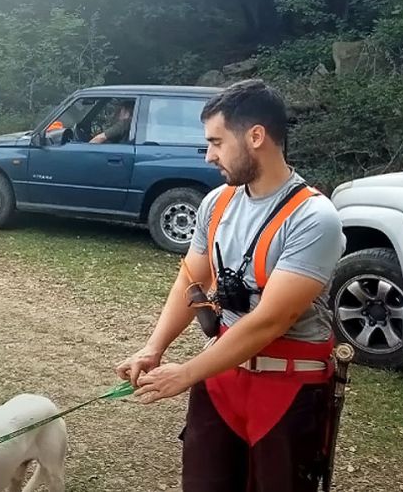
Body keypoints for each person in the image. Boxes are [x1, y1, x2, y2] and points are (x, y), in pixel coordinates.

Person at [114, 79, 345, 491]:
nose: (209, 155)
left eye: (217, 141)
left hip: (288, 390)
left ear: (255, 136)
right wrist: (154, 348)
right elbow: (192, 278)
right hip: (221, 379)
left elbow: (271, 321)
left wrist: (184, 373)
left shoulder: (314, 218)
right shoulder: (216, 202)